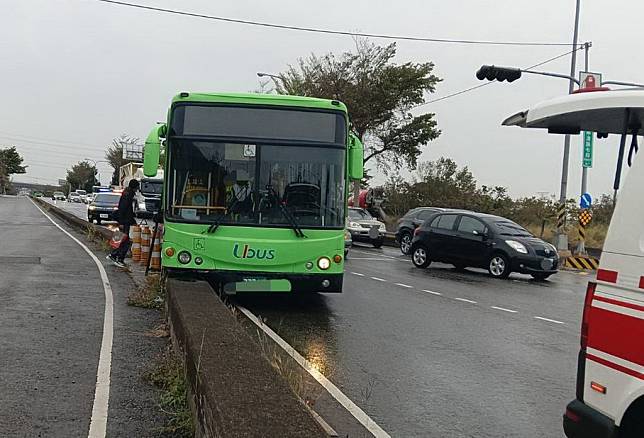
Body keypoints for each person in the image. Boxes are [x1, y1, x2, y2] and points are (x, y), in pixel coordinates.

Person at [107, 179, 139, 267]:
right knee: (125, 241)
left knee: (120, 238)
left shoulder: (126, 193)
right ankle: (119, 259)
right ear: (134, 187)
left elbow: (126, 209)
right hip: (124, 221)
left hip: (124, 220)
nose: (137, 189)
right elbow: (124, 209)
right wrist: (122, 221)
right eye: (137, 187)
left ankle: (113, 255)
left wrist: (132, 220)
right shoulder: (128, 195)